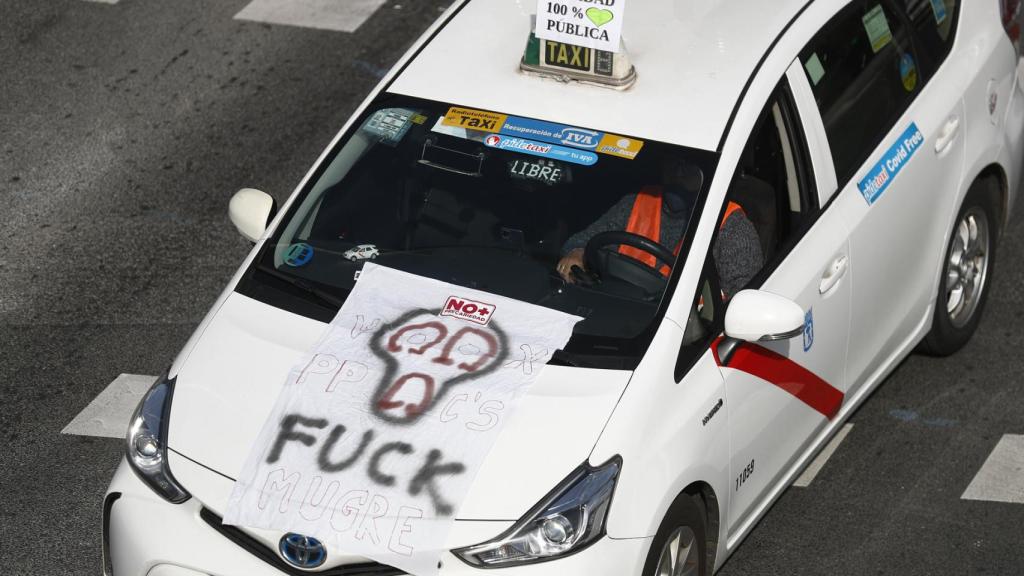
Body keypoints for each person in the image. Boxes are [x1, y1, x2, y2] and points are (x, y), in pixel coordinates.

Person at [557, 158, 764, 297]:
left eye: (687, 169)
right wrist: (577, 253)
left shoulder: (730, 224)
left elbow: (743, 299)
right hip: (618, 306)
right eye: (672, 165)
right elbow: (581, 241)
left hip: (687, 334)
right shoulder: (636, 201)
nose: (677, 175)